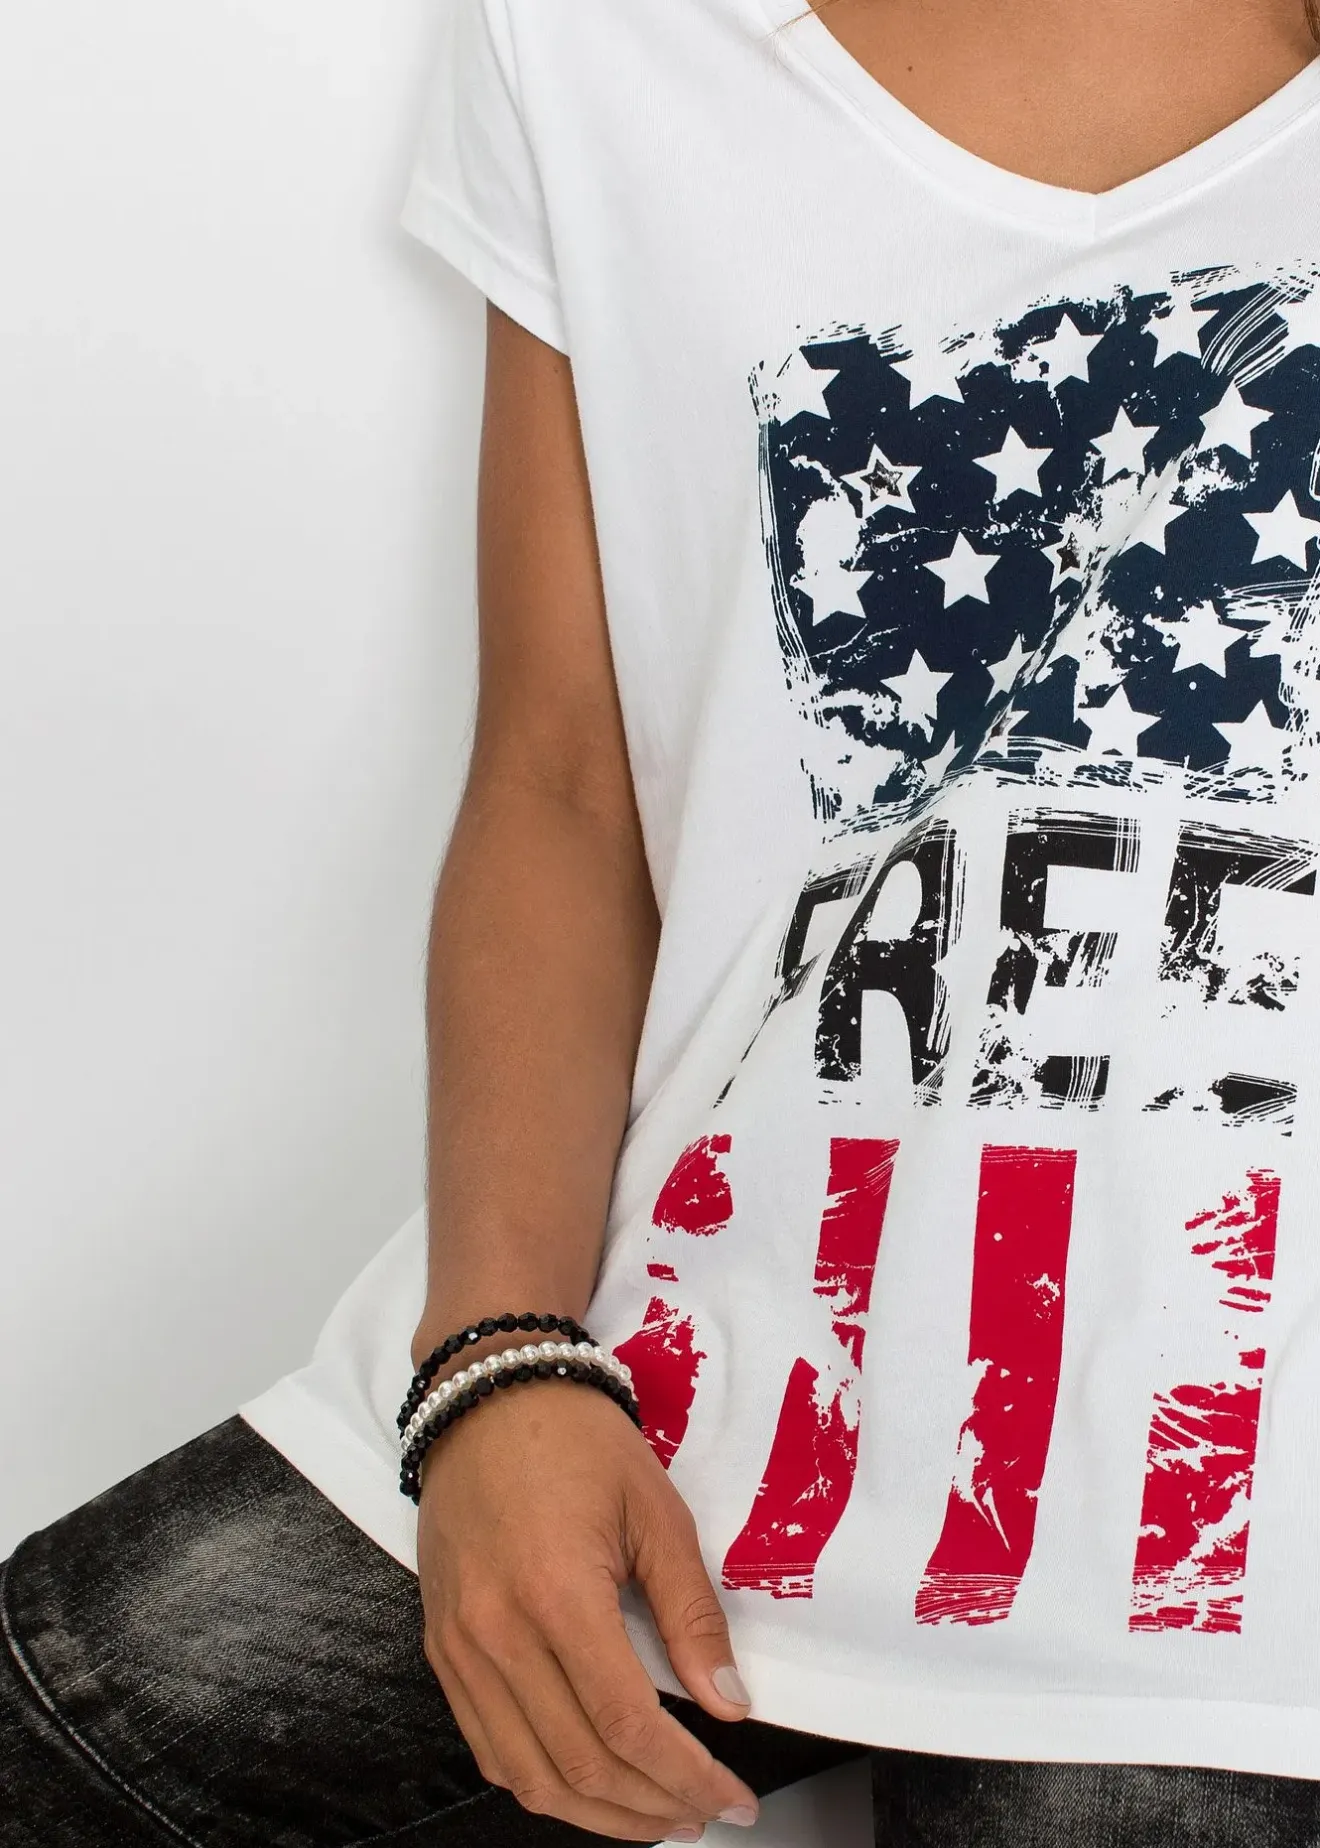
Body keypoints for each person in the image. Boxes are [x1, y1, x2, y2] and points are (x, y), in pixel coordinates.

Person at [8, 0, 1320, 1841]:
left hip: (1241, 1508)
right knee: (62, 1717)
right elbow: (563, 782)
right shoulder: (602, 42)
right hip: (716, 1345)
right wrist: (497, 1360)